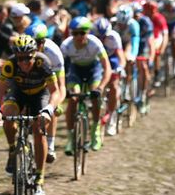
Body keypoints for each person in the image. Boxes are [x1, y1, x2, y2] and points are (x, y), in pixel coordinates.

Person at [0, 35, 58, 195]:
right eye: (20, 58)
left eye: (28, 58)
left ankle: (39, 178)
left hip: (39, 95)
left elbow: (55, 91)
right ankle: (13, 149)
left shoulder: (44, 63)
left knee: (39, 130)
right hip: (18, 93)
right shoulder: (10, 65)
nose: (24, 62)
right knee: (7, 115)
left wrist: (48, 109)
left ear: (35, 54)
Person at [60, 17, 111, 153]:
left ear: (88, 32)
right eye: (75, 33)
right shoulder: (66, 46)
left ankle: (95, 130)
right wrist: (63, 88)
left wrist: (101, 87)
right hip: (75, 70)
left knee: (95, 96)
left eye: (82, 33)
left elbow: (107, 68)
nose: (78, 36)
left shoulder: (95, 44)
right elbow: (59, 69)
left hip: (93, 70)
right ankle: (70, 138)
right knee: (73, 99)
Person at [29, 24, 65, 163]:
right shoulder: (25, 51)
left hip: (50, 80)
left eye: (38, 43)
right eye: (32, 42)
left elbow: (60, 85)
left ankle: (50, 145)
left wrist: (58, 103)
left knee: (51, 106)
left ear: (43, 42)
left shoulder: (53, 52)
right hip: (31, 81)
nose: (35, 46)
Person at [91, 18, 125, 136]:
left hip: (112, 60)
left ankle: (111, 116)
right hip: (98, 60)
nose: (101, 38)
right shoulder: (91, 36)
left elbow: (120, 54)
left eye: (103, 36)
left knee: (114, 85)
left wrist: (121, 67)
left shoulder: (114, 36)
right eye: (98, 36)